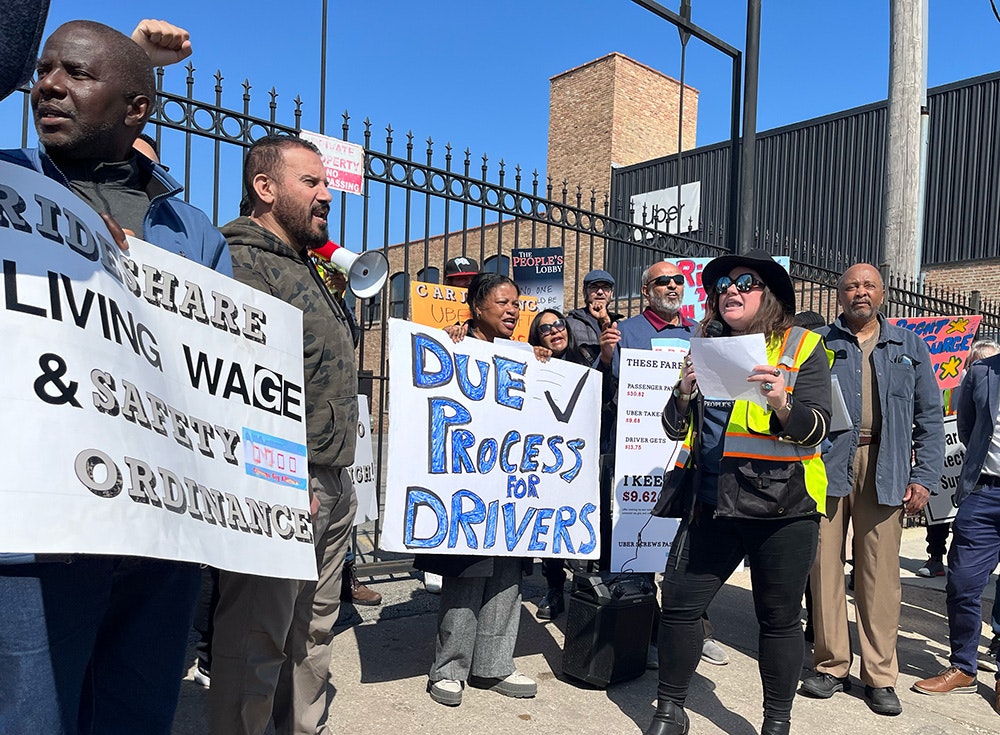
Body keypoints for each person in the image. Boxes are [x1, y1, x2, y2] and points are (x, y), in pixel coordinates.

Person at [0, 20, 230, 734]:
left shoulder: (192, 232)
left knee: (136, 714)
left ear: (136, 110)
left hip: (158, 543)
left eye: (77, 73)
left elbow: (223, 381)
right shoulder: (9, 187)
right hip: (35, 536)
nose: (49, 86)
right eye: (42, 69)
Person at [644, 249, 832, 735]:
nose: (730, 288)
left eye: (744, 283)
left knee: (779, 620)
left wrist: (781, 403)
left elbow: (817, 431)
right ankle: (670, 710)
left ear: (767, 295)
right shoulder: (702, 342)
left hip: (783, 508)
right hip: (711, 503)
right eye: (723, 284)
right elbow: (673, 427)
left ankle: (776, 723)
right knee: (681, 607)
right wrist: (682, 393)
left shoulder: (802, 346)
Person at [210, 135, 359, 735]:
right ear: (264, 188)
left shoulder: (310, 266)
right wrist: (287, 474)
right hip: (281, 477)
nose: (327, 195)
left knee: (314, 626)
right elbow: (243, 383)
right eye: (311, 183)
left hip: (330, 474)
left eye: (326, 183)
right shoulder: (240, 262)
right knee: (257, 634)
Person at [802, 263, 944, 717]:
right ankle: (830, 665)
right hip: (826, 465)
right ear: (839, 295)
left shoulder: (909, 346)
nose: (859, 292)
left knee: (880, 575)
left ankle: (880, 676)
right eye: (850, 286)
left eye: (868, 286)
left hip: (886, 467)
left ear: (882, 294)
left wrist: (923, 477)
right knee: (824, 566)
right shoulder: (818, 344)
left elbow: (931, 419)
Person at [415, 272, 538, 707]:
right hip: (468, 487)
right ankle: (449, 669)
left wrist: (542, 365)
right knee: (467, 578)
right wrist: (449, 343)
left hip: (511, 488)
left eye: (517, 304)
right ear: (477, 307)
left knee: (507, 579)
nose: (512, 310)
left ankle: (494, 664)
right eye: (503, 302)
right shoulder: (455, 347)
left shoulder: (523, 355)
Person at [599, 260, 727, 668]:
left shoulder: (699, 333)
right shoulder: (626, 333)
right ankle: (646, 633)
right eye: (663, 281)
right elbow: (605, 391)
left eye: (678, 280)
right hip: (638, 452)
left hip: (688, 456)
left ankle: (694, 629)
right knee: (638, 542)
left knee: (686, 544)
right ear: (645, 290)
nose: (673, 286)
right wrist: (605, 357)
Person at [912, 346, 1000, 714]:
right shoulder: (981, 374)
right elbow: (966, 427)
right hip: (985, 491)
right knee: (962, 581)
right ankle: (964, 665)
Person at [916, 339, 1000, 580]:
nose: (981, 366)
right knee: (964, 577)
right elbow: (966, 426)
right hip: (979, 484)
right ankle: (935, 555)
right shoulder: (968, 381)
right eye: (976, 362)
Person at [527, 309, 587, 619]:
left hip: (582, 458)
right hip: (546, 458)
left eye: (558, 324)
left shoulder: (587, 360)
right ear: (537, 338)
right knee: (550, 526)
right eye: (544, 329)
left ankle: (585, 590)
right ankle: (554, 587)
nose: (554, 331)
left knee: (579, 525)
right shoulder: (532, 361)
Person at [565, 269, 624, 366]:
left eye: (605, 287)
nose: (600, 292)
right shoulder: (570, 323)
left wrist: (606, 321)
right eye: (594, 287)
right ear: (585, 292)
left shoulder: (620, 325)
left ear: (611, 293)